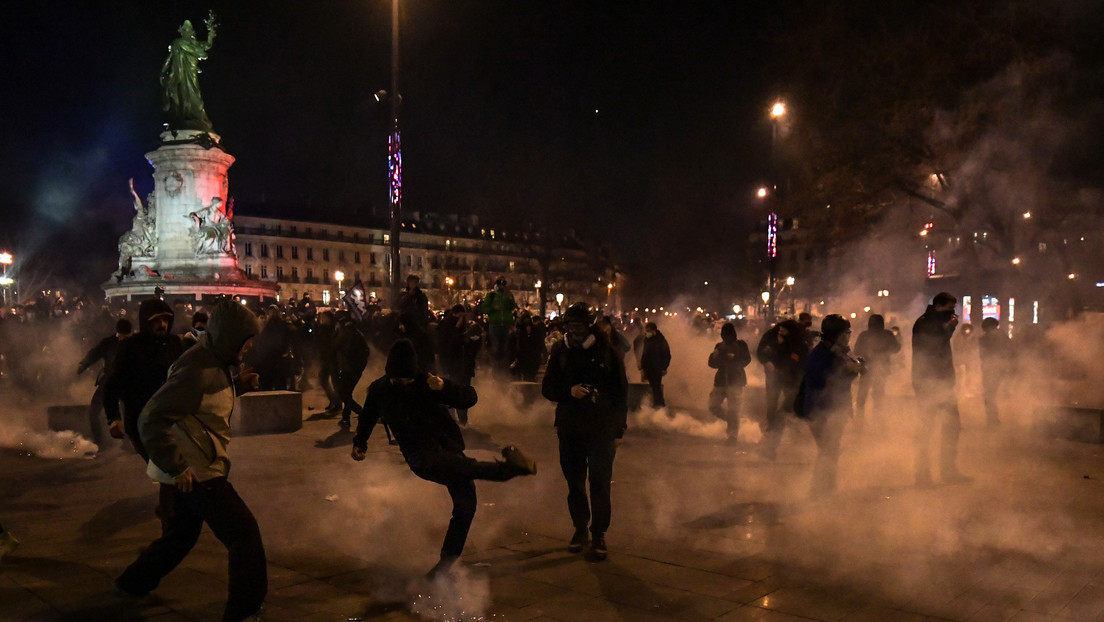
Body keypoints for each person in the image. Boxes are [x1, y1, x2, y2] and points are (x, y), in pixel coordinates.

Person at [114, 299, 265, 622]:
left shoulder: (215, 360)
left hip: (193, 463)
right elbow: (150, 419)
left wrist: (239, 386)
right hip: (196, 470)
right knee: (244, 535)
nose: (249, 346)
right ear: (229, 336)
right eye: (245, 340)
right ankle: (244, 612)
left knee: (180, 536)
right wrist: (177, 465)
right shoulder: (197, 367)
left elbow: (204, 402)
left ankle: (132, 582)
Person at [351, 339, 536, 578]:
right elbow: (367, 417)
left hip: (447, 446)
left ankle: (446, 563)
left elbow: (470, 398)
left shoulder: (427, 382)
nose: (403, 383)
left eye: (407, 379)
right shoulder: (380, 390)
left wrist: (444, 388)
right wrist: (359, 442)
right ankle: (511, 470)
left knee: (466, 504)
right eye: (398, 379)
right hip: (420, 455)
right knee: (465, 467)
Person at [542, 303, 628, 561]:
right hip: (570, 427)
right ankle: (580, 529)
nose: (574, 331)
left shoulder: (608, 352)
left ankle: (599, 533)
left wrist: (618, 430)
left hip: (600, 427)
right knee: (575, 482)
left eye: (579, 326)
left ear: (589, 326)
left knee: (600, 482)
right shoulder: (560, 351)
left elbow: (620, 394)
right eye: (570, 326)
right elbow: (548, 388)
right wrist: (569, 391)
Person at [102, 297, 186, 459]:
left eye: (165, 319)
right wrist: (113, 418)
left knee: (176, 475)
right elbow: (112, 384)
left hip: (171, 419)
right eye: (156, 320)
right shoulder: (131, 346)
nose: (162, 325)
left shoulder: (174, 344)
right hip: (141, 420)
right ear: (146, 322)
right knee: (169, 469)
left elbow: (186, 376)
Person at [801, 315, 863, 499]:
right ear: (835, 334)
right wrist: (847, 370)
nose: (849, 336)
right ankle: (819, 492)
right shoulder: (818, 355)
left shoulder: (842, 352)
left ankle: (826, 490)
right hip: (820, 410)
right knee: (828, 451)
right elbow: (822, 381)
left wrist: (855, 367)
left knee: (831, 451)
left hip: (837, 409)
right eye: (846, 332)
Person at [912, 292, 968, 485]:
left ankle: (948, 470)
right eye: (949, 308)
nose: (952, 313)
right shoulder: (925, 323)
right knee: (927, 429)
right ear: (938, 306)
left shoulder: (935, 322)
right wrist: (951, 328)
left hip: (943, 383)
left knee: (952, 427)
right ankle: (923, 474)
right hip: (928, 383)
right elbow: (934, 346)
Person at [755, 319, 809, 460]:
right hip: (774, 378)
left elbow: (798, 362)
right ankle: (771, 434)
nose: (781, 331)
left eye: (784, 330)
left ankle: (785, 435)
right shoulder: (771, 336)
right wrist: (767, 361)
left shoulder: (799, 343)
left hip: (791, 381)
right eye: (780, 328)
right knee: (773, 406)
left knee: (786, 411)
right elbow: (761, 351)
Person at [77, 317, 133, 444]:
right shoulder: (109, 342)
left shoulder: (135, 344)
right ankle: (99, 442)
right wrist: (83, 364)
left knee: (129, 414)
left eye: (125, 335)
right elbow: (95, 353)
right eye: (120, 335)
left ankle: (129, 443)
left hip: (129, 383)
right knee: (94, 412)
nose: (122, 338)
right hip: (109, 381)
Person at [161, 13, 218, 133]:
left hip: (191, 75)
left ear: (191, 32)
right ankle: (182, 119)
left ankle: (195, 119)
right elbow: (169, 59)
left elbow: (206, 46)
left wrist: (211, 35)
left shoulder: (193, 44)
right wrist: (163, 73)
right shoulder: (178, 43)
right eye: (185, 30)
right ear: (182, 32)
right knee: (180, 98)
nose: (187, 32)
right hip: (179, 76)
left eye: (189, 30)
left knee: (195, 97)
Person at [852, 314, 901, 431]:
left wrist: (868, 354)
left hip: (867, 369)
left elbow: (857, 350)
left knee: (861, 398)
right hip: (881, 369)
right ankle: (878, 423)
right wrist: (885, 352)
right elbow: (897, 348)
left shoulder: (864, 335)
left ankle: (859, 424)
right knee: (878, 397)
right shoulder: (887, 334)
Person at [708, 322, 751, 444]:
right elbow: (712, 364)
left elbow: (746, 359)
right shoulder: (719, 346)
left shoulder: (741, 345)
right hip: (721, 380)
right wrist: (714, 356)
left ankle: (732, 436)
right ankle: (731, 420)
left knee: (734, 409)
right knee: (713, 406)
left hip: (735, 380)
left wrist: (735, 358)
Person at [334, 314, 370, 427]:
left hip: (348, 368)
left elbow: (335, 347)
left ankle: (363, 414)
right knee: (347, 393)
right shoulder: (357, 332)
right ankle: (346, 419)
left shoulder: (345, 333)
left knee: (343, 394)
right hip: (356, 369)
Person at [978, 317, 1013, 428]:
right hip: (996, 369)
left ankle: (992, 420)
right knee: (991, 395)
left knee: (989, 395)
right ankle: (993, 419)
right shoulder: (1003, 337)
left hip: (992, 369)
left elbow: (983, 356)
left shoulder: (984, 339)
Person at [481, 277, 518, 372]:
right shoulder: (491, 295)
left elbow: (512, 307)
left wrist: (509, 297)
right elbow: (484, 308)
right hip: (495, 324)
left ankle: (502, 368)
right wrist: (494, 308)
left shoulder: (508, 296)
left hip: (505, 324)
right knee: (496, 347)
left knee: (504, 348)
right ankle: (495, 368)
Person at [639, 322, 671, 408]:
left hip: (657, 368)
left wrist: (664, 367)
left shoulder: (661, 341)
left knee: (656, 387)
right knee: (653, 387)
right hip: (648, 368)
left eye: (648, 330)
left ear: (654, 330)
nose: (647, 332)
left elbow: (667, 355)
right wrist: (642, 367)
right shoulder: (647, 340)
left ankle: (660, 406)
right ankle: (655, 405)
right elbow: (644, 354)